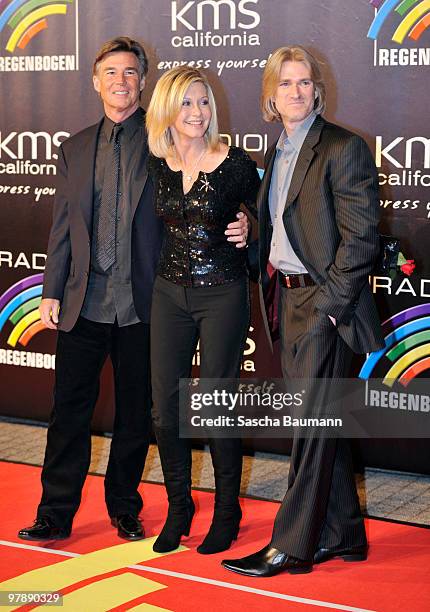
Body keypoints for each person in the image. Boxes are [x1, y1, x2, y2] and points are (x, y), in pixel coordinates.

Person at [17, 37, 250, 543]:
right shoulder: (74, 147)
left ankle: (125, 507)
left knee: (135, 416)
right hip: (84, 301)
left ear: (144, 82)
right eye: (111, 72)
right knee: (68, 413)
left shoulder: (165, 141)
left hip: (146, 302)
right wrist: (51, 289)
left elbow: (212, 193)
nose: (121, 81)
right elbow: (62, 227)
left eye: (130, 73)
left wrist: (243, 224)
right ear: (95, 81)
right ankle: (55, 513)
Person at [222, 46, 384, 576]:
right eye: (285, 83)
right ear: (271, 94)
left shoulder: (343, 147)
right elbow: (284, 228)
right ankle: (343, 535)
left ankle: (289, 544)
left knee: (310, 426)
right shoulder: (282, 149)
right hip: (285, 298)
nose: (296, 91)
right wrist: (252, 239)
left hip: (323, 301)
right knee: (317, 423)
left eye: (304, 82)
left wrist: (329, 311)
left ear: (317, 89)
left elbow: (362, 241)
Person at [146, 66, 260, 555]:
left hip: (223, 293)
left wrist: (251, 227)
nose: (197, 112)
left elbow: (272, 216)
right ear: (168, 110)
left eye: (204, 102)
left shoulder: (235, 163)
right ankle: (179, 506)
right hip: (169, 293)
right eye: (187, 103)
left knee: (216, 407)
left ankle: (228, 511)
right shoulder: (157, 162)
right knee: (164, 407)